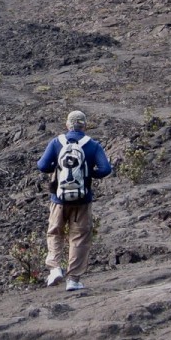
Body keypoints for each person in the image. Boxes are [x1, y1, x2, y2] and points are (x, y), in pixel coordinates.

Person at [36, 110, 112, 291]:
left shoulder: (57, 142)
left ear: (67, 125)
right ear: (84, 125)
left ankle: (55, 268)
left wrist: (58, 168)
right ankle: (73, 280)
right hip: (82, 200)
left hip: (59, 199)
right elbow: (105, 169)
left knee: (55, 232)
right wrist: (88, 173)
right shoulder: (92, 145)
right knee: (79, 237)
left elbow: (42, 166)